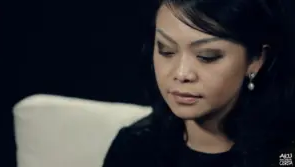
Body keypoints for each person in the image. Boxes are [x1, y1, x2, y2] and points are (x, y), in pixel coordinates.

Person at [103, 0, 295, 166]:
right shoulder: (135, 147)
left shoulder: (285, 156)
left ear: (256, 59)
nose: (181, 73)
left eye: (207, 56)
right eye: (166, 50)